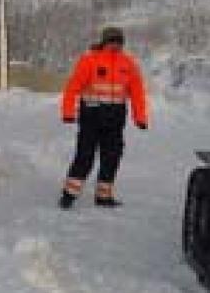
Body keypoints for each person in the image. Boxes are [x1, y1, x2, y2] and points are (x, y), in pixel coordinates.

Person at [59, 26, 149, 209]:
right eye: (112, 41)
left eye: (118, 41)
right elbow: (73, 87)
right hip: (91, 117)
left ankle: (104, 196)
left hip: (115, 120)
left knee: (112, 157)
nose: (115, 45)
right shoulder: (89, 60)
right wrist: (68, 112)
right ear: (104, 42)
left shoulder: (128, 64)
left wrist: (140, 117)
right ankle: (69, 195)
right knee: (85, 157)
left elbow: (137, 92)